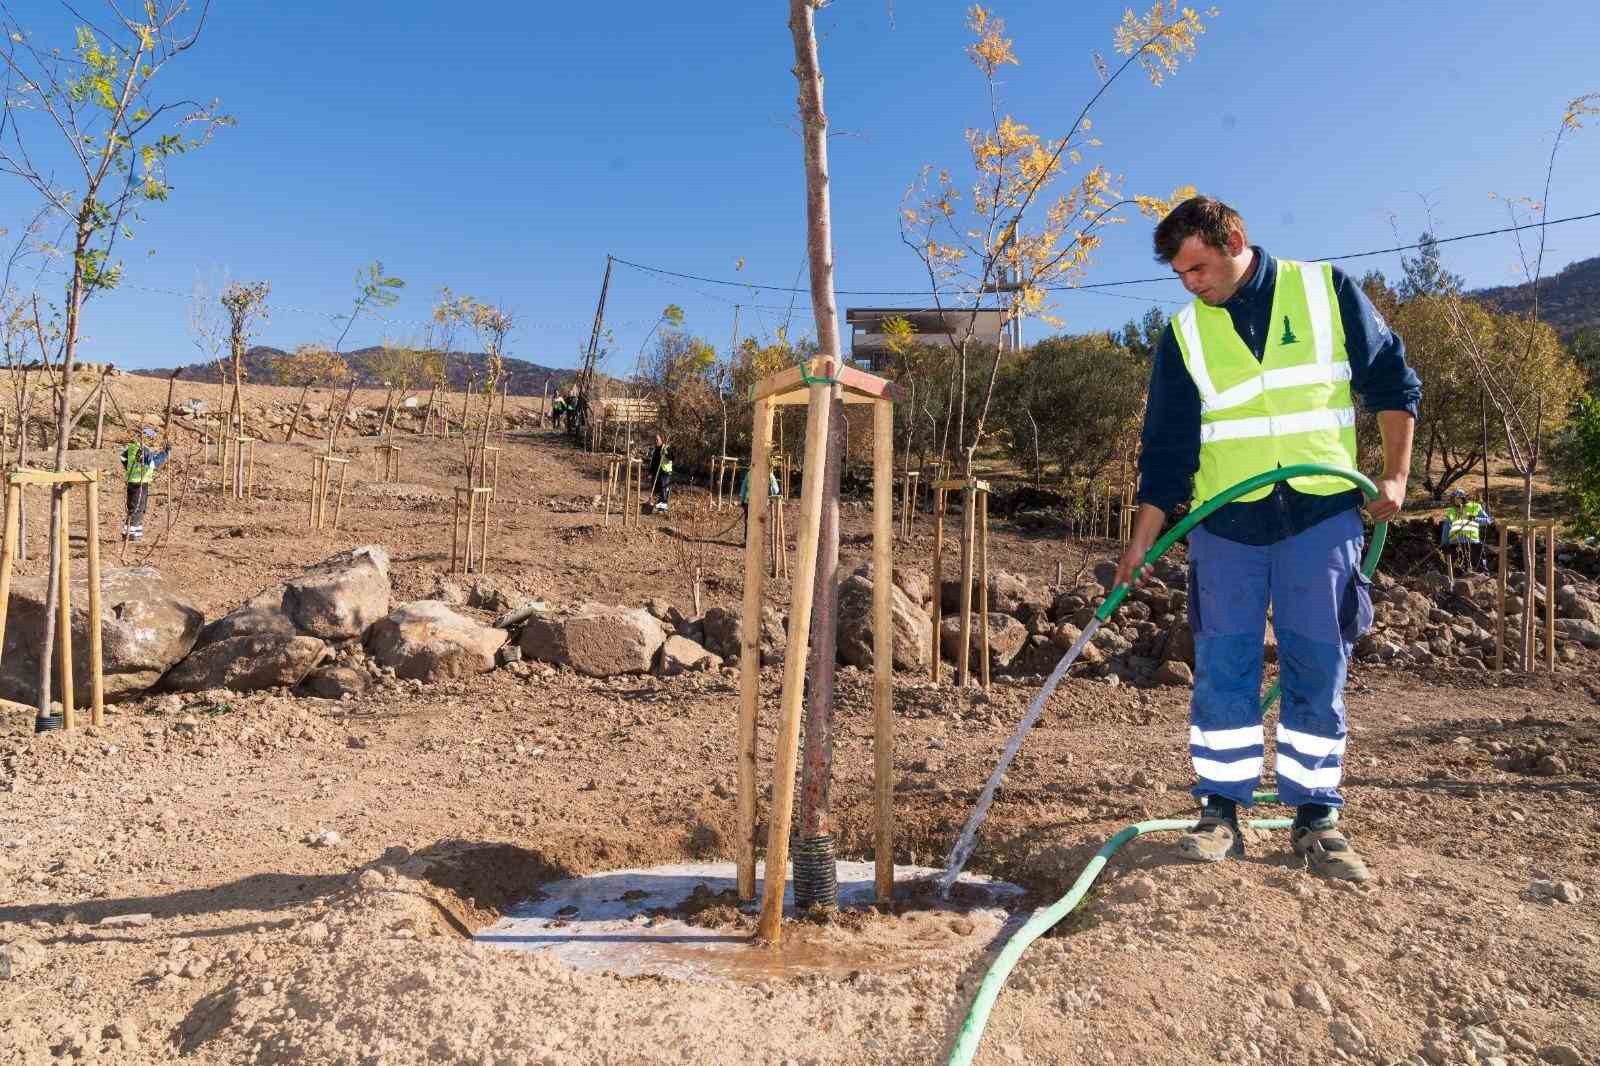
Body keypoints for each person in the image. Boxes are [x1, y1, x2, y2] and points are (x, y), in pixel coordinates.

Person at [1113, 196, 1421, 883]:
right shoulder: (1185, 336)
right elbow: (1165, 452)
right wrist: (1140, 543)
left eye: (1198, 266)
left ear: (1235, 240)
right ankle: (1220, 812)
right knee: (1224, 668)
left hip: (1321, 517)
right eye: (1179, 274)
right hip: (1227, 527)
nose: (1191, 283)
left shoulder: (1325, 291)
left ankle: (1316, 819)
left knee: (1317, 663)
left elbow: (1394, 382)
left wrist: (1395, 477)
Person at [120, 426, 170, 542]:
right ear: (146, 438)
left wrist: (129, 468)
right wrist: (165, 454)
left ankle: (134, 532)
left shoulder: (132, 447)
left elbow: (122, 457)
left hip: (133, 481)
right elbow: (153, 463)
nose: (152, 441)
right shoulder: (144, 450)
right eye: (151, 438)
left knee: (134, 507)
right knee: (138, 507)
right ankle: (130, 535)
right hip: (140, 483)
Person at [1439, 487, 1491, 573]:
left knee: (1480, 567)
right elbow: (1446, 527)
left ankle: (1484, 582)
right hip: (1456, 542)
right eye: (1454, 499)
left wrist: (1475, 519)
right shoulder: (1451, 511)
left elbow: (1488, 521)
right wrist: (1444, 544)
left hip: (1472, 541)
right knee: (1457, 569)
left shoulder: (1475, 506)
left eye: (1458, 498)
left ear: (1463, 498)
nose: (1456, 501)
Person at [646, 432, 672, 513]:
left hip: (664, 473)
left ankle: (663, 508)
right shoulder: (656, 450)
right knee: (657, 491)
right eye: (655, 440)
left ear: (661, 440)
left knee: (663, 490)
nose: (656, 441)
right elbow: (654, 462)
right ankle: (659, 507)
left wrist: (666, 453)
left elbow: (672, 457)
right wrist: (650, 473)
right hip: (656, 473)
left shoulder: (666, 448)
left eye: (657, 440)